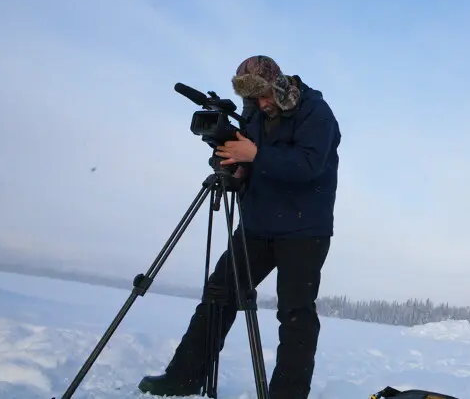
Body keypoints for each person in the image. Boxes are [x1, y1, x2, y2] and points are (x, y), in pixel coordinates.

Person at [138, 55, 341, 398]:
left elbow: (308, 166)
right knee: (219, 295)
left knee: (295, 315)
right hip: (257, 224)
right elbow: (245, 157)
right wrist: (230, 161)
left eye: (264, 96)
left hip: (305, 230)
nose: (261, 104)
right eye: (254, 98)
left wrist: (255, 154)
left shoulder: (316, 113)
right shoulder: (253, 113)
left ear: (278, 86)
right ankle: (183, 378)